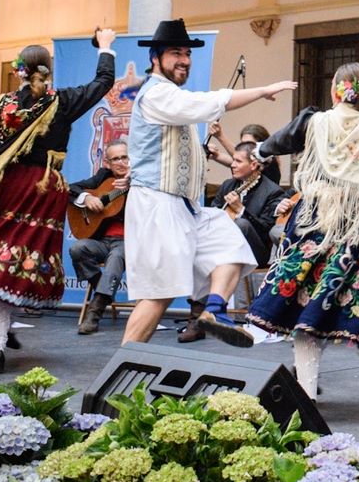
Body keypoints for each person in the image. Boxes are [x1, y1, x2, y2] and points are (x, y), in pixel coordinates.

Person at [0, 30, 138, 372]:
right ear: (48, 71)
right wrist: (107, 47)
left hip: (2, 186)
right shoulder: (61, 101)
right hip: (41, 188)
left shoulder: (1, 104)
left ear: (19, 71)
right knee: (11, 266)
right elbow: (103, 81)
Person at [246, 9, 359, 394]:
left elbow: (273, 144)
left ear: (336, 90)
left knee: (303, 304)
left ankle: (305, 383)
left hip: (317, 218)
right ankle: (306, 382)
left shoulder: (316, 122)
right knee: (328, 305)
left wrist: (257, 151)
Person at [119, 19, 297, 348]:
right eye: (176, 53)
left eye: (187, 53)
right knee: (158, 296)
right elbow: (207, 102)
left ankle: (214, 310)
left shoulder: (169, 95)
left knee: (231, 244)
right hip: (158, 205)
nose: (185, 59)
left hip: (185, 206)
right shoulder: (156, 94)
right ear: (155, 58)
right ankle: (116, 375)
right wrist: (261, 90)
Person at [175, 141, 291, 343]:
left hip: (255, 251)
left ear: (254, 164)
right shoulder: (229, 185)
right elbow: (214, 215)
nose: (232, 164)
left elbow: (265, 230)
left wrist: (241, 210)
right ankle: (198, 318)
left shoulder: (272, 191)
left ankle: (206, 313)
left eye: (238, 161)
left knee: (241, 225)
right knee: (204, 242)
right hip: (223, 249)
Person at [68, 141, 130, 335]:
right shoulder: (103, 177)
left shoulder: (142, 180)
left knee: (117, 257)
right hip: (102, 242)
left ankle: (95, 312)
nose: (121, 162)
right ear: (108, 163)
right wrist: (87, 198)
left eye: (124, 157)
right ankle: (102, 290)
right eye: (116, 159)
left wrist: (135, 183)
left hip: (129, 243)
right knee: (77, 249)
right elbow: (72, 188)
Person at [209, 121, 282, 184]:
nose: (244, 148)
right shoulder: (251, 161)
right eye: (243, 144)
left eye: (249, 144)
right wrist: (217, 156)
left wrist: (220, 136)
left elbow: (243, 159)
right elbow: (240, 162)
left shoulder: (269, 160)